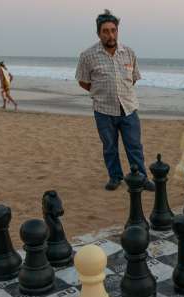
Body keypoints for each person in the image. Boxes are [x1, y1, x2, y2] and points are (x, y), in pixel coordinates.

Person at [75, 9, 154, 191]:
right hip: (103, 110)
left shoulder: (129, 53)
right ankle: (115, 177)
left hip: (128, 109)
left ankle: (141, 177)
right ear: (98, 33)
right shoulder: (87, 56)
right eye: (106, 31)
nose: (110, 35)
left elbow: (133, 78)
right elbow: (83, 81)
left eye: (113, 30)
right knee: (110, 147)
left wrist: (120, 92)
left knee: (134, 146)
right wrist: (101, 93)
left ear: (117, 31)